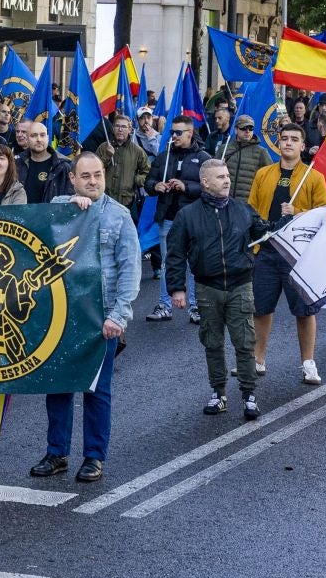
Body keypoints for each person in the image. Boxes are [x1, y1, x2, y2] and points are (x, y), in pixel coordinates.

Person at [30, 151, 141, 484]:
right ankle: (56, 453)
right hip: (62, 319)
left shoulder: (119, 217)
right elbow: (28, 226)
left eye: (98, 175)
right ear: (73, 179)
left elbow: (130, 272)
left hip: (101, 319)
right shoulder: (62, 208)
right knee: (59, 387)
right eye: (86, 176)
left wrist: (118, 317)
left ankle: (94, 457)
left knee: (97, 391)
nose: (93, 182)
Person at [164, 159, 270, 420]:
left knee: (244, 342)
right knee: (212, 342)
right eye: (220, 177)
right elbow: (175, 254)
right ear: (205, 182)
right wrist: (177, 288)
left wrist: (284, 218)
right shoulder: (187, 216)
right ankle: (219, 393)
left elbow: (265, 233)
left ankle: (249, 396)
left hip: (240, 285)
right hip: (207, 287)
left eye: (227, 176)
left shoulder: (242, 210)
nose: (226, 180)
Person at [248, 124, 326, 385]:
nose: (288, 143)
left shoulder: (313, 178)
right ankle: (257, 359)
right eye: (284, 139)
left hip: (298, 254)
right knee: (261, 308)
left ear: (302, 146)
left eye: (294, 139)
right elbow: (251, 209)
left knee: (304, 310)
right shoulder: (263, 174)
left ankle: (308, 363)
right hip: (267, 250)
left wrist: (296, 211)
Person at [144, 117, 208, 320]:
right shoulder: (164, 156)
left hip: (194, 219)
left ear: (190, 133)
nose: (174, 136)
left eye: (178, 133)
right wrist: (156, 186)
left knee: (192, 262)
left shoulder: (204, 157)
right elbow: (148, 181)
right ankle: (164, 305)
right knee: (166, 262)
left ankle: (195, 306)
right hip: (168, 218)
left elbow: (210, 186)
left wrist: (186, 187)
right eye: (172, 132)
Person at [95, 113, 150, 211]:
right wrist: (107, 156)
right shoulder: (103, 147)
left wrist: (137, 179)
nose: (120, 129)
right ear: (113, 128)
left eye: (124, 127)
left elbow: (148, 172)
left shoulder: (137, 151)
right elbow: (94, 171)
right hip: (104, 200)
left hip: (126, 202)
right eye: (117, 126)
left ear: (129, 129)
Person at [220, 115, 270, 204]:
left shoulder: (261, 152)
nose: (247, 131)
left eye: (250, 128)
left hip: (248, 205)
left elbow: (269, 178)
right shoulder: (224, 149)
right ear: (236, 130)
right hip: (223, 201)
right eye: (244, 128)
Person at [17, 121, 70, 203]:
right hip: (22, 215)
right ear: (27, 139)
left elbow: (70, 197)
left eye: (42, 135)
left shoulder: (63, 166)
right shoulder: (17, 163)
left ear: (48, 138)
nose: (39, 139)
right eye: (34, 136)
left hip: (52, 215)